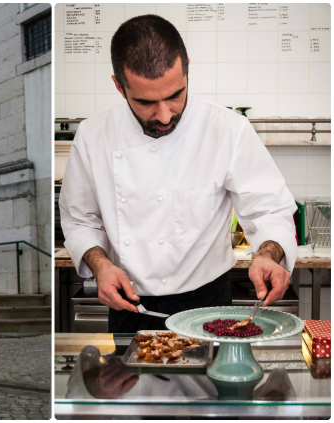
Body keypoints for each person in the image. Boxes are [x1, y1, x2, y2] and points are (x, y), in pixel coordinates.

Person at [59, 15, 296, 333]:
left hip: (209, 304)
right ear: (119, 85)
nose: (165, 114)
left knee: (209, 384)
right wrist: (100, 265)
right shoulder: (92, 135)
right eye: (145, 102)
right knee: (131, 383)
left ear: (186, 69)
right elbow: (80, 221)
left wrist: (268, 254)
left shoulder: (227, 129)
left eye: (174, 95)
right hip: (129, 303)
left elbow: (271, 209)